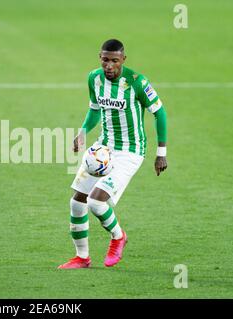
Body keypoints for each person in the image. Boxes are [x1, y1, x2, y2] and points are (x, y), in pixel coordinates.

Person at [58, 39, 168, 269]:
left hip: (130, 152)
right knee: (77, 202)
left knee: (96, 203)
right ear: (100, 57)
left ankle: (118, 237)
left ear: (123, 60)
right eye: (105, 60)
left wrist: (161, 153)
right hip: (103, 149)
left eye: (114, 61)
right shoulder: (94, 79)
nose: (109, 65)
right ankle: (82, 257)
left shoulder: (137, 82)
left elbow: (160, 113)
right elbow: (95, 109)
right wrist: (82, 132)